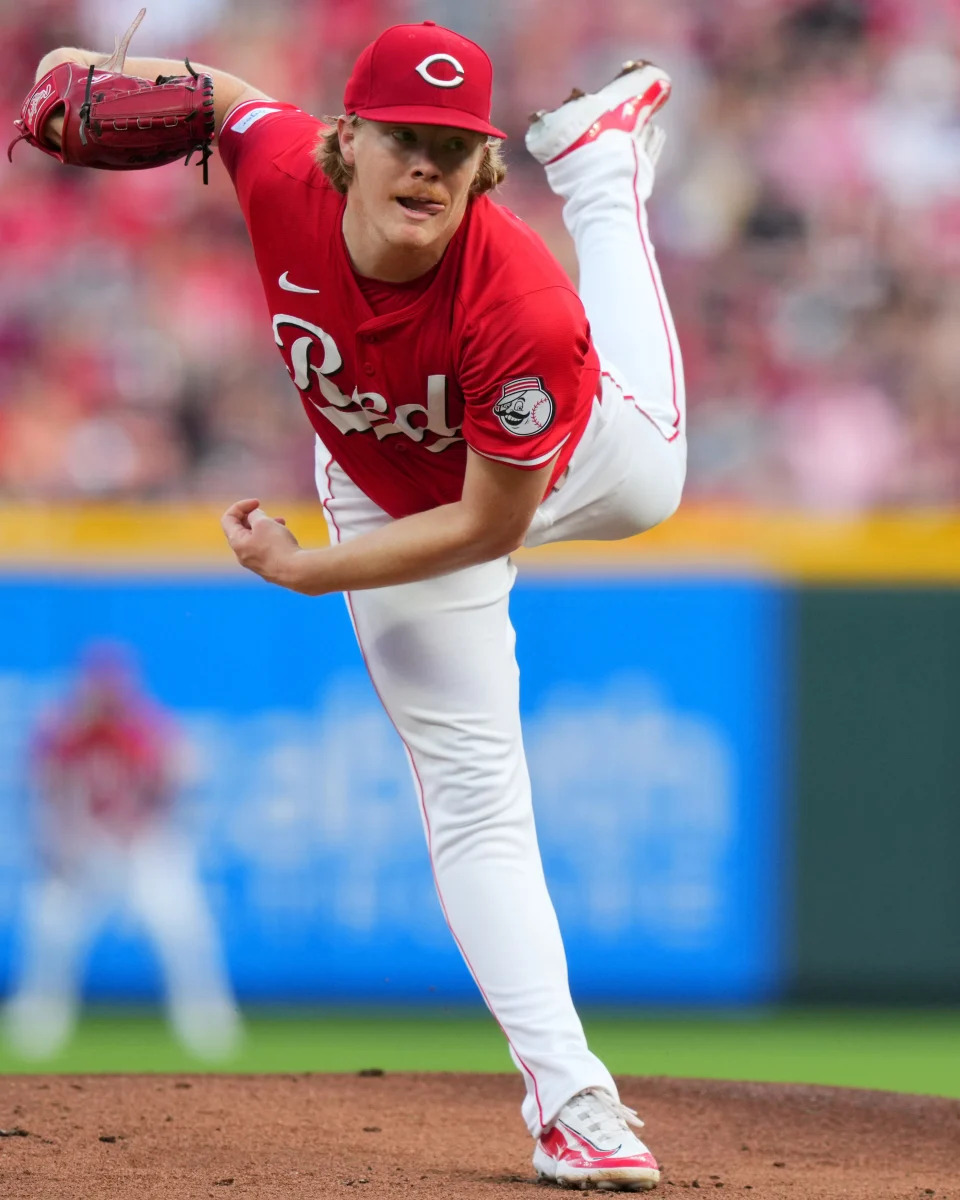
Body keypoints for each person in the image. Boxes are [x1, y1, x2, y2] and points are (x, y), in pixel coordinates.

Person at [28, 19, 685, 1190]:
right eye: (402, 138)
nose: (426, 165)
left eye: (454, 145)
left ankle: (596, 170)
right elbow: (226, 98)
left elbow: (489, 524)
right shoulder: (282, 165)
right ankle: (574, 1101)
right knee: (478, 799)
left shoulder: (517, 304)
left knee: (658, 480)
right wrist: (79, 73)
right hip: (383, 485)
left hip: (538, 468)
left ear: (485, 168)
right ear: (346, 141)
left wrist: (308, 568)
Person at [2, 643, 242, 1062]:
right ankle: (36, 1028)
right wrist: (61, 844)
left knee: (181, 928)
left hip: (144, 845)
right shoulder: (64, 732)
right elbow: (47, 791)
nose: (106, 699)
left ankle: (209, 1028)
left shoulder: (147, 728)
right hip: (86, 845)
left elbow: (176, 783)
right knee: (52, 928)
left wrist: (149, 832)